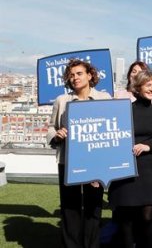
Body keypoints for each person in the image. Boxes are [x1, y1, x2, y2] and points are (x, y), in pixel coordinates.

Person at [47, 59, 112, 248]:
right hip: (68, 161)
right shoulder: (62, 100)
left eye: (79, 73)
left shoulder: (104, 98)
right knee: (70, 207)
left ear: (90, 75)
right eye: (72, 75)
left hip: (96, 162)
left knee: (94, 208)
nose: (75, 78)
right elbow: (51, 127)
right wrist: (57, 135)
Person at [108, 70, 152, 248]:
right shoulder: (123, 110)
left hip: (150, 170)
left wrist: (149, 147)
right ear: (138, 87)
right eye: (148, 85)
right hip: (126, 169)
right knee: (126, 219)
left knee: (148, 217)